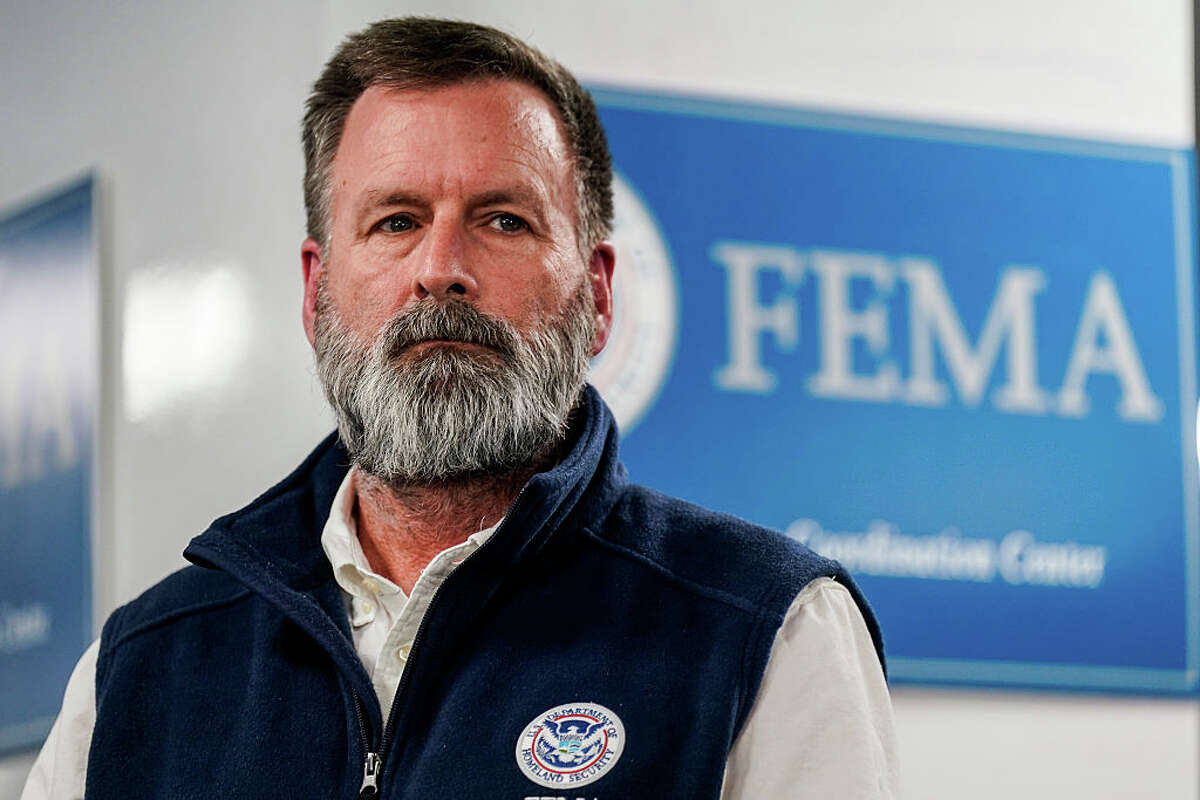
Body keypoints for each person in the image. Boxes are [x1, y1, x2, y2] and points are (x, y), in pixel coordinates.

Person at [24, 17, 897, 799]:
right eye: (396, 220)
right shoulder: (137, 671)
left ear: (597, 296)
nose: (441, 266)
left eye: (504, 220)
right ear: (315, 290)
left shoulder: (766, 630)